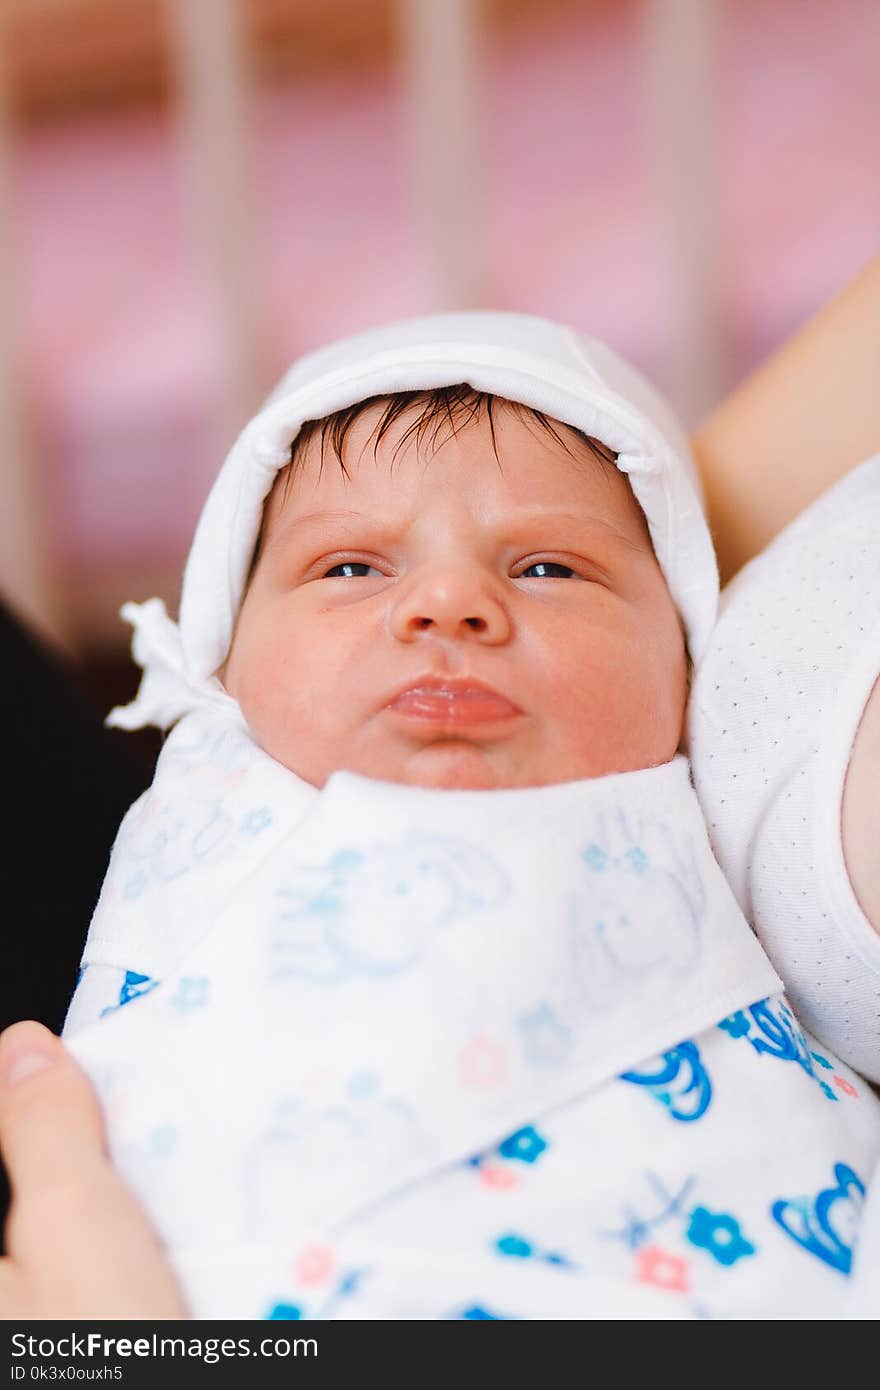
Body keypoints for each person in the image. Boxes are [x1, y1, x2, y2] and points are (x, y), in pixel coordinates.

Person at [1, 267, 878, 1318]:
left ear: (687, 663)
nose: (448, 603)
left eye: (549, 569)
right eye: (351, 567)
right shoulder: (216, 802)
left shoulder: (726, 825)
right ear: (224, 665)